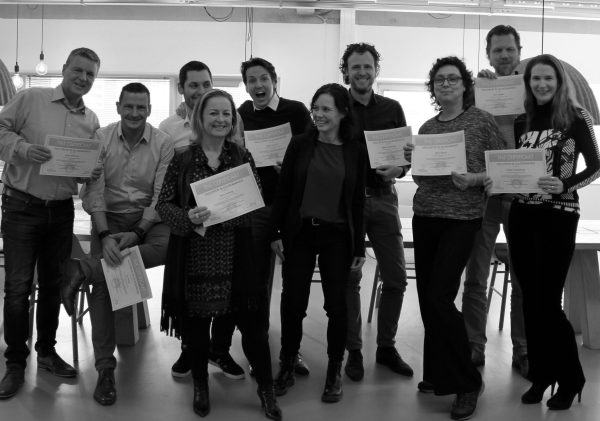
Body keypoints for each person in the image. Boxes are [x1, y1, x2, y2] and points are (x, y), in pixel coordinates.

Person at [156, 89, 281, 420]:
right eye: (214, 113)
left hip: (238, 255)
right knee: (197, 332)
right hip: (196, 257)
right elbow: (163, 205)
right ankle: (201, 385)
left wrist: (229, 213)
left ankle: (266, 389)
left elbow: (253, 201)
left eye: (227, 113)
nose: (221, 119)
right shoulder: (183, 159)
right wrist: (187, 217)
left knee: (253, 329)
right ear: (200, 117)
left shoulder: (242, 156)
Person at [495, 54, 599, 410]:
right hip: (523, 214)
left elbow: (596, 165)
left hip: (559, 215)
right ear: (528, 83)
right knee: (530, 301)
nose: (541, 84)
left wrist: (564, 184)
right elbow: (518, 165)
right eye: (535, 79)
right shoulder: (522, 119)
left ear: (558, 82)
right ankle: (542, 375)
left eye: (547, 79)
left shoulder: (576, 116)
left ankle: (571, 378)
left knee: (549, 303)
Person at [60, 82, 173, 405]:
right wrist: (106, 235)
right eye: (129, 106)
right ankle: (105, 369)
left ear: (149, 110)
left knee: (169, 248)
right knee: (106, 285)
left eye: (141, 107)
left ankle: (84, 269)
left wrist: (138, 232)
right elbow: (94, 192)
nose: (135, 113)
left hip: (149, 220)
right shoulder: (101, 138)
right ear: (118, 107)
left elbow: (161, 194)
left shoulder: (163, 143)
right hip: (108, 218)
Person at [404, 56, 503, 420]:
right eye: (439, 80)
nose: (445, 84)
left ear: (464, 85)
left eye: (452, 79)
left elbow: (498, 165)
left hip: (462, 218)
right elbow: (421, 178)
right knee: (428, 299)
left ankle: (467, 382)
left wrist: (474, 179)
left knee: (439, 296)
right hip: (426, 215)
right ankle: (437, 373)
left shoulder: (482, 120)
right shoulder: (427, 128)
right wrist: (413, 160)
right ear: (433, 88)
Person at [0, 47, 101, 400]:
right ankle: (15, 363)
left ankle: (46, 352)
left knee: (53, 286)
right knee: (17, 288)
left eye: (90, 74)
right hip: (21, 206)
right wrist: (23, 149)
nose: (83, 78)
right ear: (64, 68)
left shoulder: (91, 120)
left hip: (60, 211)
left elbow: (83, 171)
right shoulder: (31, 98)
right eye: (78, 70)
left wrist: (89, 172)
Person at [271, 83, 367, 402]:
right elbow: (284, 192)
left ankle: (334, 370)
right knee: (293, 302)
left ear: (343, 113)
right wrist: (275, 233)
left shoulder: (355, 150)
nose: (319, 114)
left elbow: (357, 201)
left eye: (327, 109)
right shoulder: (300, 144)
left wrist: (358, 245)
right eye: (316, 108)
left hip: (336, 236)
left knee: (336, 306)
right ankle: (287, 364)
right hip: (300, 233)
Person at [159, 61, 245, 381]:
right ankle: (191, 350)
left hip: (230, 239)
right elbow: (164, 196)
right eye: (193, 85)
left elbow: (249, 194)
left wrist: (238, 210)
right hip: (192, 241)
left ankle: (219, 350)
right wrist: (186, 218)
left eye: (206, 84)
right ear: (182, 88)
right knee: (191, 302)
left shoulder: (238, 149)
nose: (200, 90)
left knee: (229, 301)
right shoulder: (172, 136)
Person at [339, 42, 412, 381]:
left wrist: (400, 169)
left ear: (376, 70)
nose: (362, 72)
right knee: (349, 279)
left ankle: (386, 347)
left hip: (384, 198)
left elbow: (406, 157)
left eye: (367, 66)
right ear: (346, 71)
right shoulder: (336, 105)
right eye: (356, 67)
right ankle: (353, 350)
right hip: (346, 204)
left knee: (396, 278)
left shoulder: (392, 108)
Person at [238, 57, 312, 376]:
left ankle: (290, 351)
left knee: (293, 284)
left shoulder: (296, 111)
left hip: (292, 208)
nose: (258, 85)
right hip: (256, 207)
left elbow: (313, 152)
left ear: (274, 80)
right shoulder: (240, 114)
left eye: (263, 78)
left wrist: (293, 169)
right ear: (246, 86)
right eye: (251, 80)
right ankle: (259, 350)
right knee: (258, 283)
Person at [462, 24, 528, 374]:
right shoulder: (477, 90)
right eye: (497, 50)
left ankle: (523, 349)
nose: (503, 55)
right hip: (483, 193)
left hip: (521, 194)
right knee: (476, 276)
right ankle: (474, 347)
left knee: (522, 279)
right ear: (488, 55)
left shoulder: (532, 89)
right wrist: (478, 90)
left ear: (519, 52)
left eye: (509, 49)